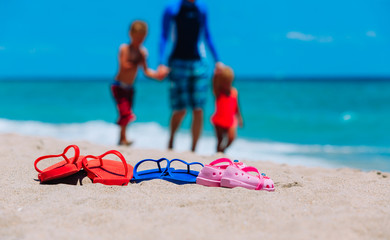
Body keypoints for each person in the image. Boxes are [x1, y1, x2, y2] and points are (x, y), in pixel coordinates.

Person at [158, 0, 223, 152]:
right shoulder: (172, 9)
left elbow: (207, 34)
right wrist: (161, 62)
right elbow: (163, 35)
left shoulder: (201, 8)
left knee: (198, 108)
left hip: (199, 63)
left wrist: (218, 60)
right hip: (177, 62)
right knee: (180, 109)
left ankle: (194, 149)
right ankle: (171, 141)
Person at [112, 20, 165, 146]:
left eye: (142, 38)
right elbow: (124, 66)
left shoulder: (142, 52)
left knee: (126, 112)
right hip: (118, 86)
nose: (139, 41)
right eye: (137, 38)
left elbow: (146, 71)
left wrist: (158, 76)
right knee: (125, 112)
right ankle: (123, 138)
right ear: (131, 34)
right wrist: (139, 59)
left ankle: (122, 138)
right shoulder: (124, 49)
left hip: (130, 87)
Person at [211, 66, 243, 153]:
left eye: (228, 82)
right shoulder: (218, 93)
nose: (227, 85)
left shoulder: (234, 92)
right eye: (224, 83)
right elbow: (213, 84)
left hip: (230, 120)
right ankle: (218, 154)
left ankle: (223, 150)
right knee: (220, 139)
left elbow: (236, 106)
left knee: (231, 138)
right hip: (219, 121)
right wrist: (215, 75)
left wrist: (239, 118)